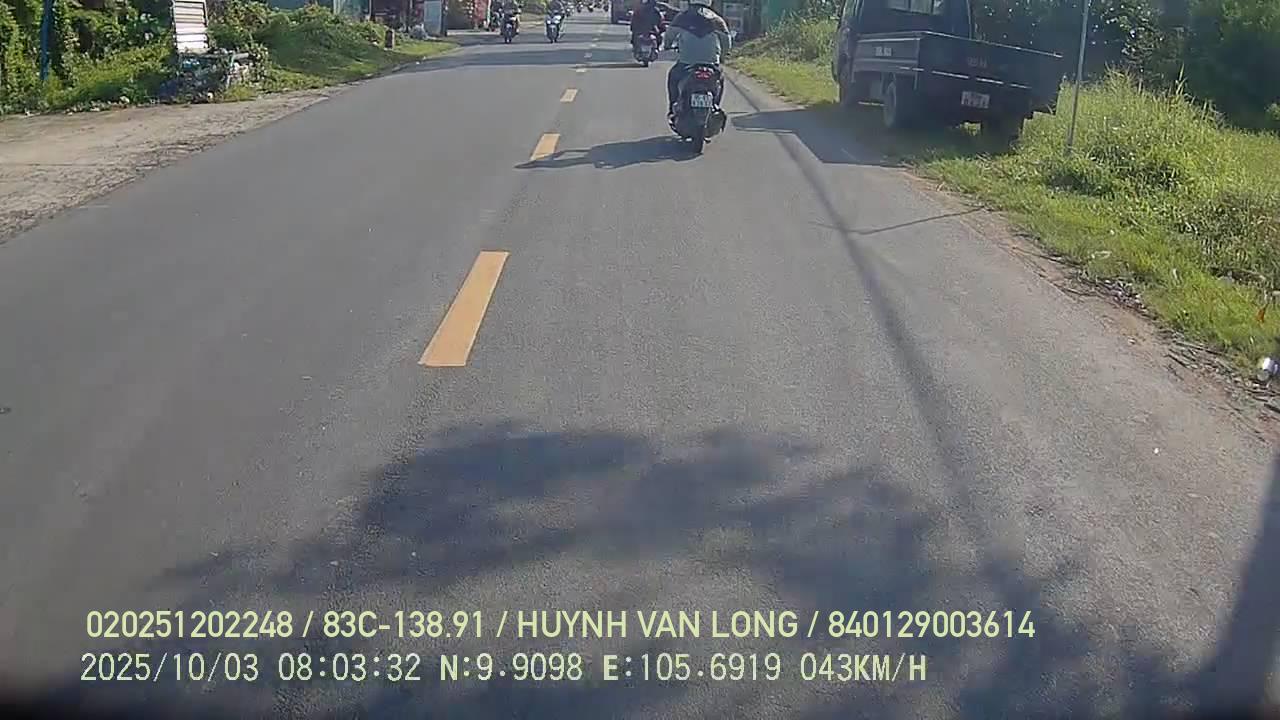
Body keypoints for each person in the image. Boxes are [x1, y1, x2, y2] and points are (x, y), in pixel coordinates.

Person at [661, 0, 731, 119]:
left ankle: (673, 108)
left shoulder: (682, 17)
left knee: (673, 77)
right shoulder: (717, 19)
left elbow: (669, 34)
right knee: (720, 80)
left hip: (686, 63)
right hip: (711, 63)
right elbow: (726, 41)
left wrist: (667, 46)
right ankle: (715, 106)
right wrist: (722, 56)